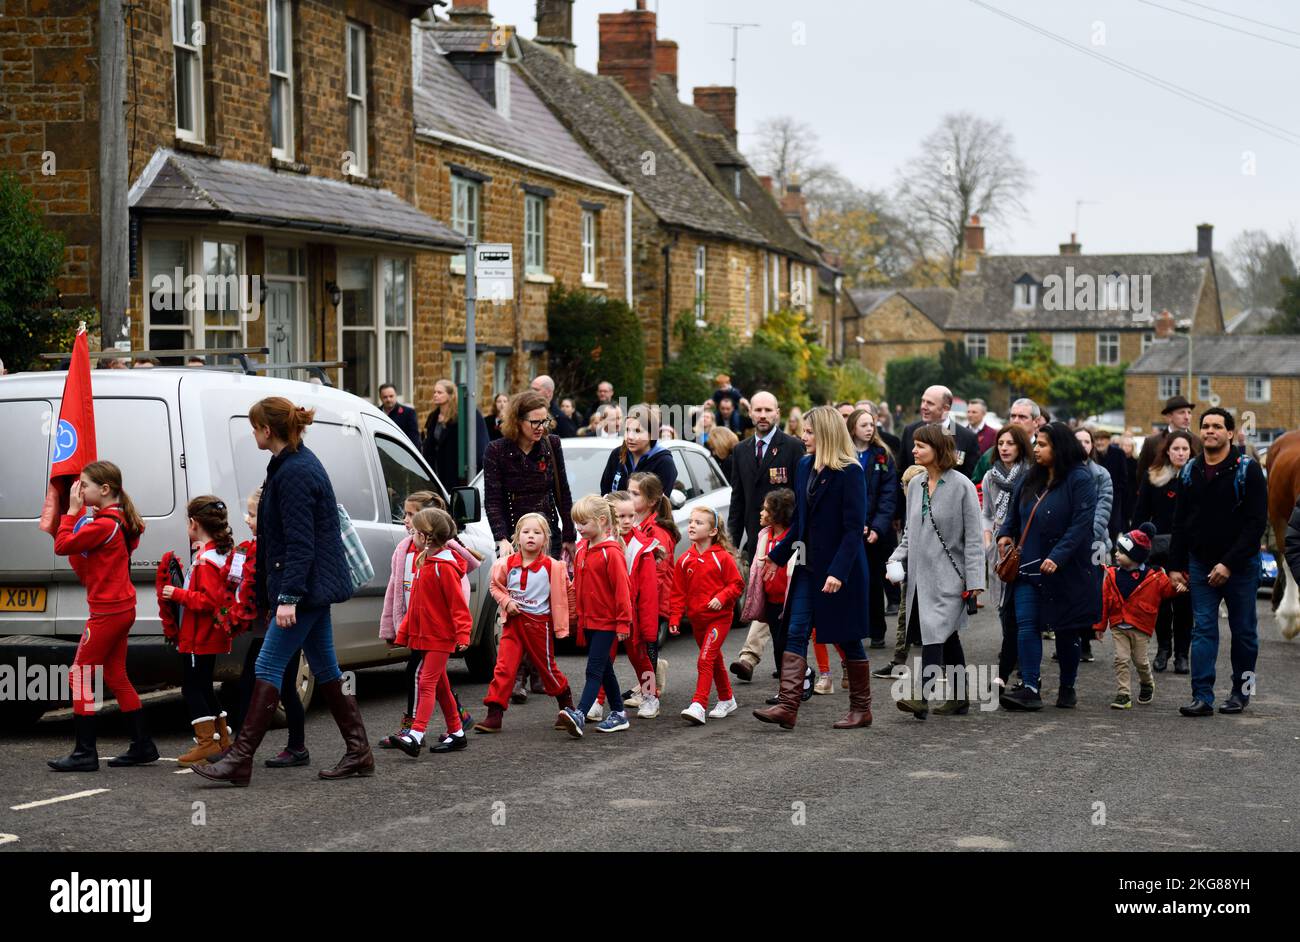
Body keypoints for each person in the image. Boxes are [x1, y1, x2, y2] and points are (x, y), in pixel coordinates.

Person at [194, 397, 371, 786]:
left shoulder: (294, 470)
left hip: (304, 588)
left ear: (267, 430)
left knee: (267, 665)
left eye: (254, 426)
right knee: (326, 668)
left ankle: (241, 759)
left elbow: (300, 542)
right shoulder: (289, 464)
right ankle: (359, 751)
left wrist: (288, 597)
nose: (252, 432)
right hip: (311, 586)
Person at [753, 406, 874, 731]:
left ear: (825, 434)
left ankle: (861, 709)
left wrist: (837, 572)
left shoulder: (851, 471)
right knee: (795, 629)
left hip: (841, 570)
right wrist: (777, 556)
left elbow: (853, 529)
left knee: (847, 638)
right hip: (808, 565)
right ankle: (788, 706)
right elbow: (801, 525)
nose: (803, 437)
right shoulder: (805, 465)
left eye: (808, 432)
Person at [48, 461, 158, 772]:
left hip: (108, 612)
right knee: (115, 676)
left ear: (105, 489)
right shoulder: (116, 520)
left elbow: (61, 545)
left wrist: (71, 512)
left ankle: (85, 753)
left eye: (83, 485)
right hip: (121, 608)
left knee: (79, 675)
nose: (78, 490)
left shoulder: (103, 525)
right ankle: (143, 745)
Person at [1168, 407, 1267, 716]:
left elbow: (1255, 524)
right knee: (1204, 630)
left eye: (1216, 426)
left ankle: (1243, 691)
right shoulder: (1190, 471)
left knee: (1245, 632)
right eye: (1205, 426)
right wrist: (1173, 566)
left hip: (1240, 567)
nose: (1209, 431)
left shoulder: (1247, 470)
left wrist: (1229, 564)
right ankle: (1202, 697)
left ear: (1228, 433)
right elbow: (1180, 522)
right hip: (1200, 565)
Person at [997, 422, 1099, 712]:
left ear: (1060, 447)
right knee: (1027, 624)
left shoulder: (1080, 478)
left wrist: (1059, 555)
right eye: (1036, 444)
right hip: (1029, 564)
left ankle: (1067, 687)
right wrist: (1005, 533)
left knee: (1067, 630)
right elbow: (1014, 513)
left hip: (1067, 568)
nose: (1036, 449)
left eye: (1042, 445)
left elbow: (1082, 523)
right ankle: (1030, 686)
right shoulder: (1031, 477)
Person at [887, 424, 986, 718]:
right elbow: (909, 533)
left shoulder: (962, 485)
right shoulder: (915, 485)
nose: (914, 450)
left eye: (921, 446)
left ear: (938, 449)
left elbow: (973, 538)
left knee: (933, 634)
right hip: (921, 578)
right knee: (947, 636)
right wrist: (894, 560)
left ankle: (922, 695)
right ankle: (959, 697)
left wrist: (975, 581)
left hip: (951, 578)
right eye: (914, 445)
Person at [377, 490, 478, 748]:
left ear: (425, 536)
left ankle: (416, 734)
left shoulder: (444, 567)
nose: (410, 531)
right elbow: (416, 606)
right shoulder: (426, 561)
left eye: (415, 529)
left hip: (439, 637)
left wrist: (463, 634)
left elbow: (458, 607)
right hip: (425, 636)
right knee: (440, 685)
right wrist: (402, 632)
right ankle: (456, 731)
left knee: (425, 680)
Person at [228, 486, 309, 768]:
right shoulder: (247, 548)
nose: (247, 520)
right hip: (260, 628)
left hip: (282, 624)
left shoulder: (276, 547)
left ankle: (296, 746)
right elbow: (238, 583)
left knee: (286, 688)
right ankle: (239, 747)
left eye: (252, 514)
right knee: (248, 683)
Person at [475, 513, 575, 733]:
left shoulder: (553, 567)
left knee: (548, 669)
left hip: (540, 625)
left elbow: (569, 592)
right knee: (503, 668)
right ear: (517, 537)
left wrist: (574, 616)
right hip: (513, 624)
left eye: (537, 533)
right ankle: (494, 714)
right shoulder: (506, 564)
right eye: (526, 532)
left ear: (545, 539)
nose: (531, 536)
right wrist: (506, 601)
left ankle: (567, 706)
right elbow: (494, 587)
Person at [163, 496, 237, 767]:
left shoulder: (205, 561)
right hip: (214, 634)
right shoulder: (222, 553)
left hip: (198, 636)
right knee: (205, 686)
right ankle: (222, 742)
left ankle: (206, 745)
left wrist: (178, 593)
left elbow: (207, 600)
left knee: (192, 688)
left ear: (194, 523)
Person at [557, 495, 634, 737]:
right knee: (605, 668)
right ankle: (619, 714)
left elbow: (623, 590)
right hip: (589, 620)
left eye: (583, 523)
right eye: (576, 523)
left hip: (607, 622)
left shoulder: (611, 553)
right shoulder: (582, 550)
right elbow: (578, 586)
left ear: (601, 521)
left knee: (594, 670)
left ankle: (580, 713)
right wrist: (575, 615)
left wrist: (623, 622)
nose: (578, 528)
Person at [1094, 524, 1185, 710]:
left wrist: (1179, 586)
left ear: (1136, 556)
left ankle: (1146, 683)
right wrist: (1099, 626)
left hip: (1141, 626)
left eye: (1122, 551)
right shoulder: (1111, 575)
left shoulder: (1154, 576)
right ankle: (1123, 693)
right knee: (1121, 659)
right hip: (1119, 626)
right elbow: (1104, 602)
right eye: (1117, 550)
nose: (1116, 554)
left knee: (1141, 661)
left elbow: (1168, 590)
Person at [670, 507, 745, 725]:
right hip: (697, 621)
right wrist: (675, 618)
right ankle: (726, 698)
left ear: (712, 531)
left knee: (705, 659)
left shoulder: (723, 557)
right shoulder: (684, 559)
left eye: (699, 522)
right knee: (714, 659)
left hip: (719, 619)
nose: (692, 525)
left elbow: (737, 584)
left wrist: (722, 597)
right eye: (691, 521)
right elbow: (677, 593)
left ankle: (698, 704)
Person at [1132, 430, 1199, 674]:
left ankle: (1182, 654)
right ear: (1167, 451)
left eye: (1185, 449)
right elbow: (1140, 515)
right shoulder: (1153, 477)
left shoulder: (1198, 478)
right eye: (1176, 449)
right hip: (1158, 549)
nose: (1181, 453)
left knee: (1184, 604)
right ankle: (1163, 650)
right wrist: (1138, 545)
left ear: (1191, 452)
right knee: (1161, 604)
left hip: (1189, 550)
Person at [482, 390, 576, 562]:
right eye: (534, 422)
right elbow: (493, 499)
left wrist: (569, 535)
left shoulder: (551, 444)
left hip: (548, 536)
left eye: (544, 421)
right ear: (517, 421)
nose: (541, 427)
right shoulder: (496, 450)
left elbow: (562, 491)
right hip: (513, 538)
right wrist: (501, 538)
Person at [597, 493, 664, 719]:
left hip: (634, 615)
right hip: (607, 614)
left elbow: (647, 593)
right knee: (603, 657)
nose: (627, 521)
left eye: (631, 516)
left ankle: (650, 697)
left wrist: (648, 628)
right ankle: (597, 701)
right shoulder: (599, 543)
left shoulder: (641, 548)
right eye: (621, 516)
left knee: (641, 658)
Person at [981, 424, 1032, 687]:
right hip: (998, 549)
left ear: (1021, 446)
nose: (1004, 448)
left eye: (1010, 443)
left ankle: (1023, 665)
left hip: (1023, 546)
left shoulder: (1030, 475)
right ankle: (1010, 654)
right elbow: (987, 512)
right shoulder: (990, 477)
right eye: (1001, 443)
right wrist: (988, 539)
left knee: (1020, 608)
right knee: (1002, 605)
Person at [727, 392, 803, 560]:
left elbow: (801, 498)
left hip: (785, 540)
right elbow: (737, 501)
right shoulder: (740, 450)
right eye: (758, 410)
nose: (762, 415)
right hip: (754, 538)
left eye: (768, 410)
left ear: (777, 413)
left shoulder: (794, 447)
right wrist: (731, 544)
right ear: (750, 413)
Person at [732, 489, 796, 683]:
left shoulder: (791, 538)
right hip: (770, 599)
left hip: (788, 601)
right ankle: (785, 687)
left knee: (789, 644)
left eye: (765, 509)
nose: (760, 512)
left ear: (776, 515)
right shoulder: (763, 536)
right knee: (778, 644)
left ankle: (796, 679)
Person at [849, 407, 897, 650]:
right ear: (853, 429)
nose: (869, 429)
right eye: (864, 425)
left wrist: (877, 527)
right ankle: (855, 628)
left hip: (876, 532)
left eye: (872, 425)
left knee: (874, 582)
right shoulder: (843, 455)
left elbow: (888, 497)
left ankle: (878, 631)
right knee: (852, 581)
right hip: (851, 529)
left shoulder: (882, 455)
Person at [1073, 426, 1114, 664]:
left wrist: (1085, 536)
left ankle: (1086, 640)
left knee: (1092, 589)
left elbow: (1103, 509)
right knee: (1070, 591)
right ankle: (1070, 640)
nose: (1082, 445)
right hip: (1066, 544)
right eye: (1077, 441)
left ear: (1092, 445)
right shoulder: (1061, 473)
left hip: (1095, 543)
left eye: (1087, 441)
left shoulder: (1101, 475)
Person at [897, 385, 980, 481]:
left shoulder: (966, 437)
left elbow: (971, 477)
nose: (923, 406)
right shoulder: (910, 430)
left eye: (930, 403)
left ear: (945, 408)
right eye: (923, 401)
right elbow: (901, 469)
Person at [422, 379, 488, 488]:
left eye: (439, 392)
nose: (435, 395)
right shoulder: (433, 417)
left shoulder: (461, 416)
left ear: (450, 395)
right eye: (434, 392)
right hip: (437, 468)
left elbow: (477, 443)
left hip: (455, 470)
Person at [599, 404, 677, 496]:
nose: (630, 437)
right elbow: (605, 492)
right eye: (627, 430)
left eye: (637, 431)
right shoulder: (617, 454)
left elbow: (659, 504)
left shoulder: (664, 462)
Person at [971, 398, 1041, 484]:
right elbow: (975, 485)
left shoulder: (1042, 451)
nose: (1016, 421)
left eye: (1022, 417)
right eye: (1013, 416)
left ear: (1036, 422)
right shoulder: (992, 453)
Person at [1137, 395, 1195, 483]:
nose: (1187, 417)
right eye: (1181, 412)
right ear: (1169, 417)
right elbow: (1141, 475)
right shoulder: (1151, 442)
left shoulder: (1197, 442)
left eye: (1189, 412)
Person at [1092, 428, 1133, 539]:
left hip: (1114, 497)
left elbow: (1124, 476)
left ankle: (1113, 550)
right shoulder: (1092, 454)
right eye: (1097, 439)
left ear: (1108, 441)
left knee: (1113, 527)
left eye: (1102, 439)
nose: (1099, 442)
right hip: (1094, 497)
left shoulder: (1118, 453)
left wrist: (1116, 492)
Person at [379, 383, 421, 449]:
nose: (388, 399)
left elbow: (414, 439)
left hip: (401, 453)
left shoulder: (408, 413)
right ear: (380, 398)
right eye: (385, 397)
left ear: (396, 396)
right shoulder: (376, 412)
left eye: (391, 396)